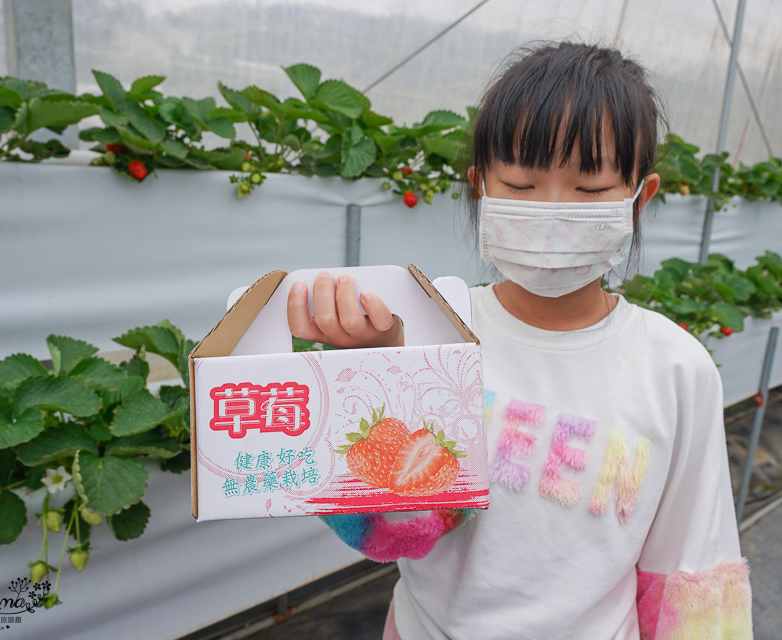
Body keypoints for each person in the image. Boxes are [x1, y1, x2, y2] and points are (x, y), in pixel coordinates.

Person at [286, 41, 753, 640]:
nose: (554, 212)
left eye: (590, 190)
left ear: (641, 197)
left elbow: (688, 567)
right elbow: (390, 531)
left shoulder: (676, 369)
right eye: (522, 185)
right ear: (481, 187)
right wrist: (371, 379)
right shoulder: (432, 329)